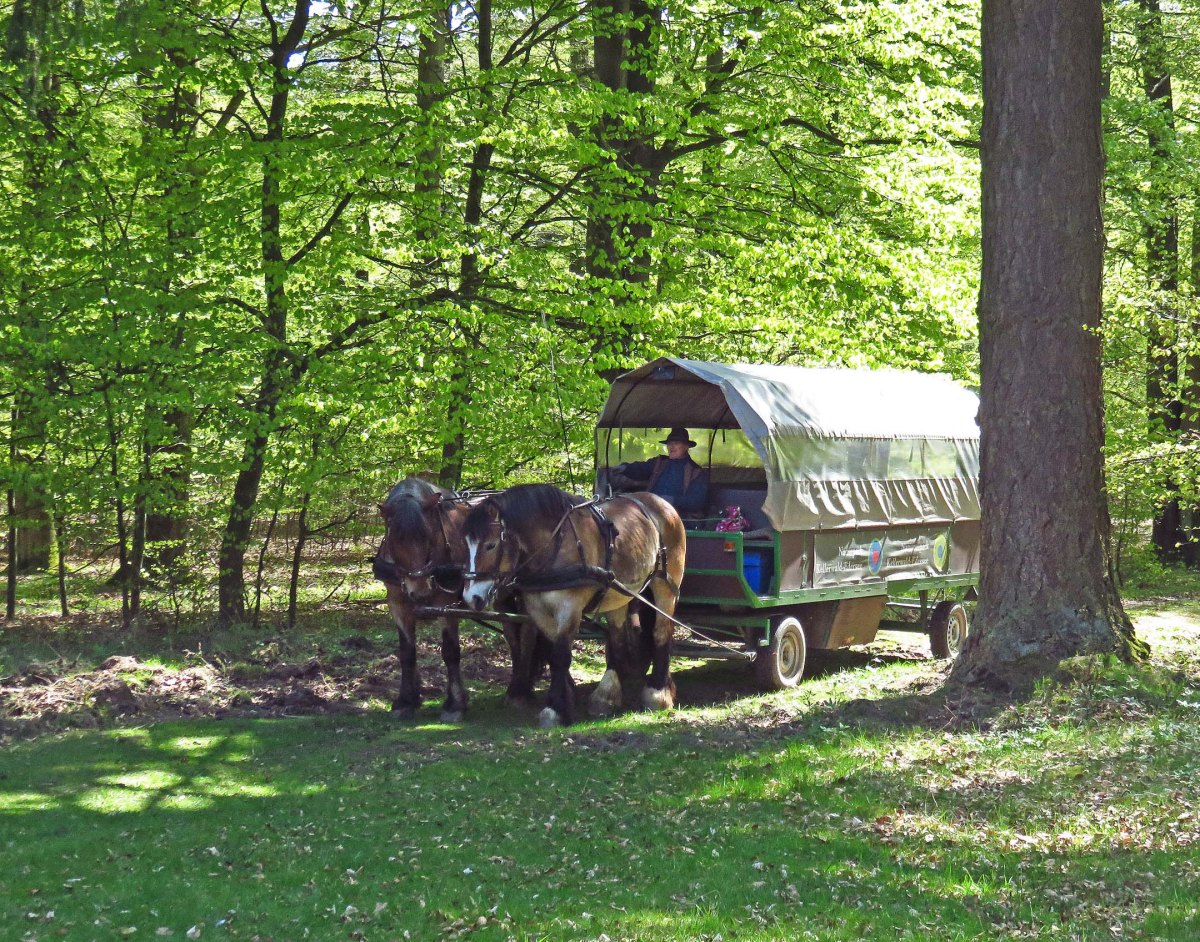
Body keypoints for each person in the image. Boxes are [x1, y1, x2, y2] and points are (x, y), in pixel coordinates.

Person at [614, 427, 709, 514]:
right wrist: (625, 468)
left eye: (676, 443)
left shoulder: (696, 472)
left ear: (686, 447)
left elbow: (696, 501)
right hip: (650, 510)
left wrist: (671, 500)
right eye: (669, 443)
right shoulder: (659, 463)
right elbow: (641, 469)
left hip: (678, 516)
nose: (671, 447)